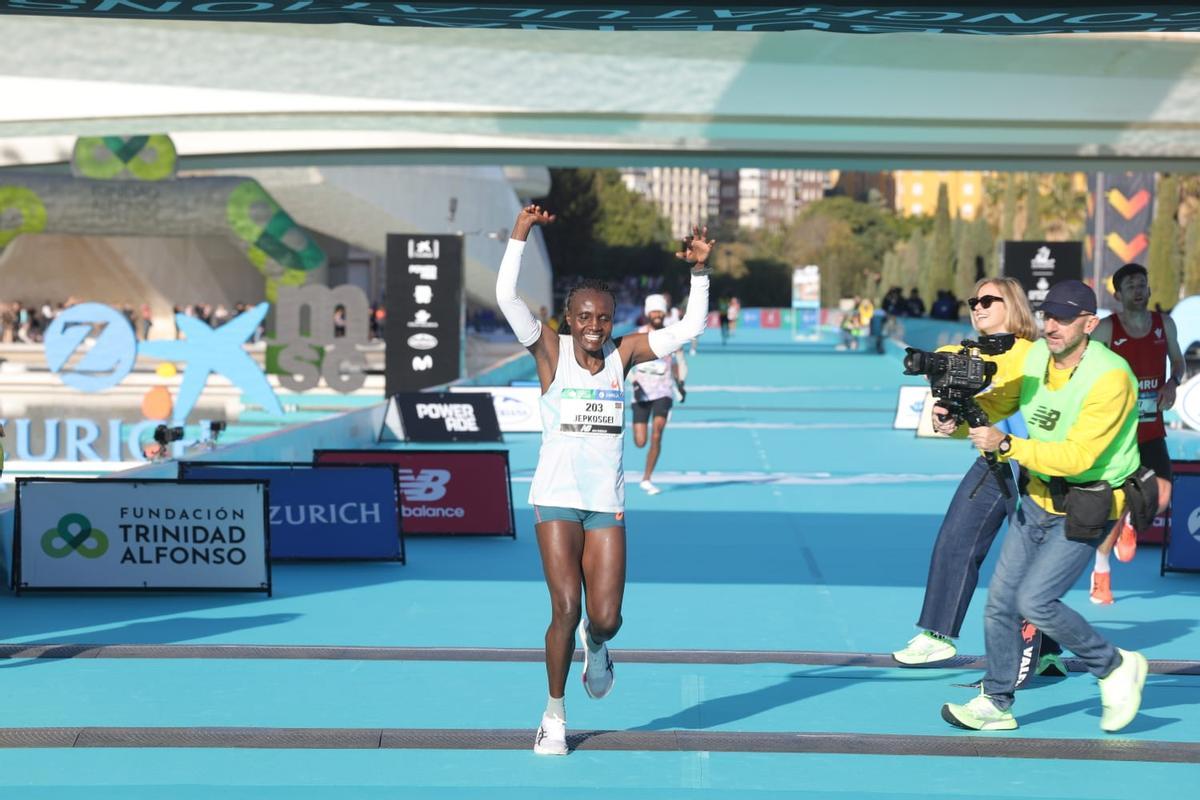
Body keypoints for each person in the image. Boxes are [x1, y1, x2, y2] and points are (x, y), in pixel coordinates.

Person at [495, 204, 712, 756]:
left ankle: (598, 645)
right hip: (554, 501)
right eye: (584, 318)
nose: (594, 328)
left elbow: (689, 327)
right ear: (569, 319)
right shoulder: (550, 350)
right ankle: (553, 716)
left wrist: (700, 272)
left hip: (605, 504)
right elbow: (506, 299)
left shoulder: (625, 352)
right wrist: (519, 236)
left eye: (602, 318)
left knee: (606, 618)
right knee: (564, 607)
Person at [939, 279, 1148, 734]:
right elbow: (1002, 400)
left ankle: (1114, 665)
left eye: (1064, 318)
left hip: (1089, 501)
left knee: (1035, 601)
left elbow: (1079, 458)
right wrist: (957, 417)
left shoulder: (1111, 377)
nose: (1051, 326)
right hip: (1036, 496)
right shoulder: (1037, 355)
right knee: (1000, 604)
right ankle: (996, 701)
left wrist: (1007, 444)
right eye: (1047, 315)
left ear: (1089, 324)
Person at [892, 277, 1037, 666]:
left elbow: (1009, 402)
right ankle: (937, 634)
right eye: (974, 300)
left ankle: (1046, 650)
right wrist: (948, 419)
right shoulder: (958, 350)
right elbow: (971, 419)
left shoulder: (1034, 355)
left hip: (1039, 463)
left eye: (990, 299)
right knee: (955, 539)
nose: (979, 306)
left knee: (1033, 561)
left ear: (1014, 305)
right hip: (994, 461)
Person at [1089, 263, 1184, 604]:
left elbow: (1179, 363)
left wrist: (1172, 384)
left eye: (1142, 284)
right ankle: (1101, 573)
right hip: (1118, 432)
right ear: (1117, 294)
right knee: (1113, 503)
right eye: (1130, 286)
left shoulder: (1164, 324)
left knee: (1161, 497)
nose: (1138, 290)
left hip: (1152, 428)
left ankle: (1131, 519)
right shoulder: (1105, 329)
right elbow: (1084, 370)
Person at [630, 294, 687, 496]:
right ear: (648, 313)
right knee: (640, 441)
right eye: (653, 311)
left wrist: (681, 383)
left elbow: (680, 362)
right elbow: (627, 364)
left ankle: (647, 478)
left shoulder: (672, 336)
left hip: (663, 391)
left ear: (664, 313)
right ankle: (645, 472)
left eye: (659, 311)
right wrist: (633, 382)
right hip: (641, 391)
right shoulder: (638, 335)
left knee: (657, 433)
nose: (656, 315)